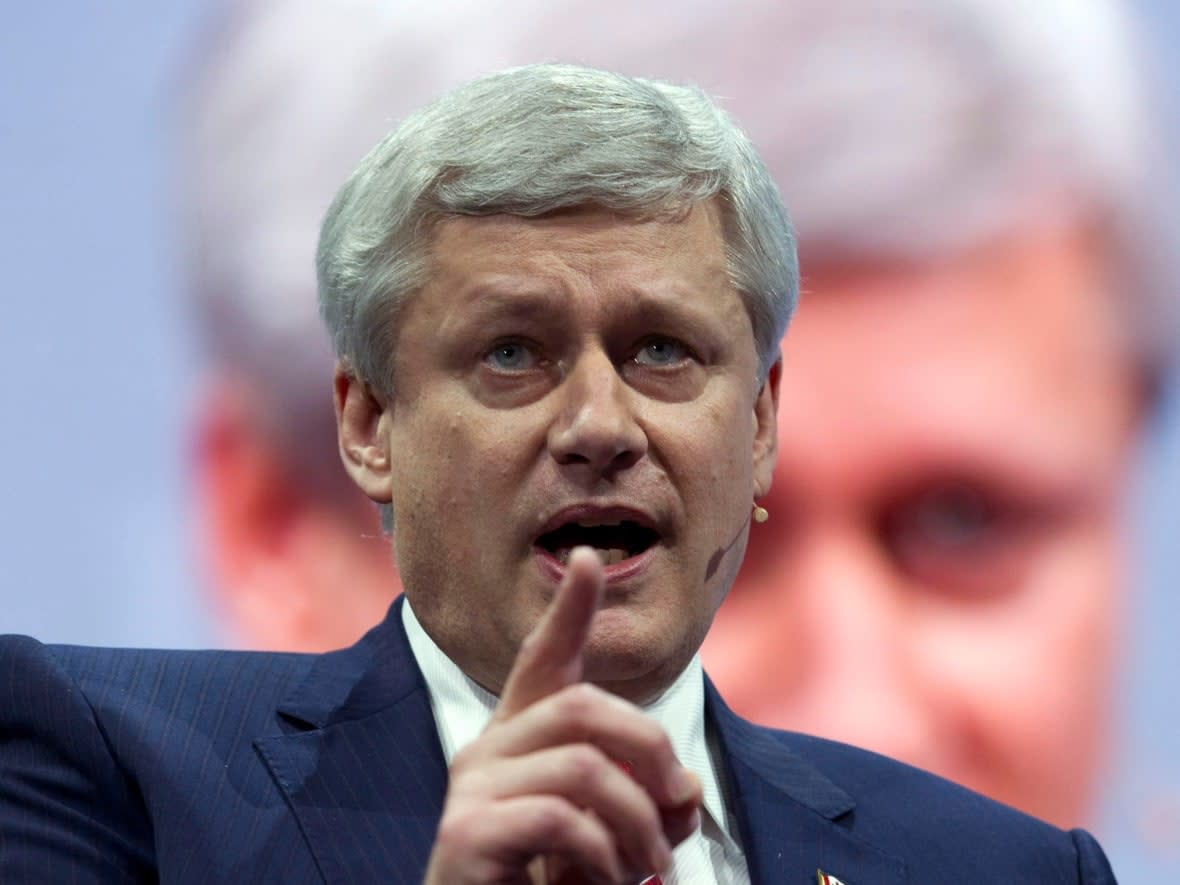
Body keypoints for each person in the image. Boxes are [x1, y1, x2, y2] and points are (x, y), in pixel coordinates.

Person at [0, 64, 1117, 883]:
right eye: (513, 354)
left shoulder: (1004, 869)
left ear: (762, 421)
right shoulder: (108, 764)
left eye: (663, 352)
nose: (599, 425)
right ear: (369, 423)